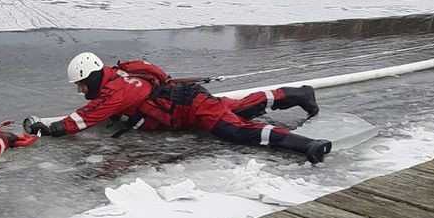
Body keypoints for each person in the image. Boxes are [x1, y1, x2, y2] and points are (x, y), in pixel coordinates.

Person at [24, 52, 332, 163]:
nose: (79, 91)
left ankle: (305, 145)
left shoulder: (116, 90)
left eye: (80, 84)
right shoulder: (115, 81)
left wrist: (50, 129)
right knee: (238, 107)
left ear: (90, 78)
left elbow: (86, 118)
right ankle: (296, 93)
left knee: (233, 128)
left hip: (189, 106)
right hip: (183, 106)